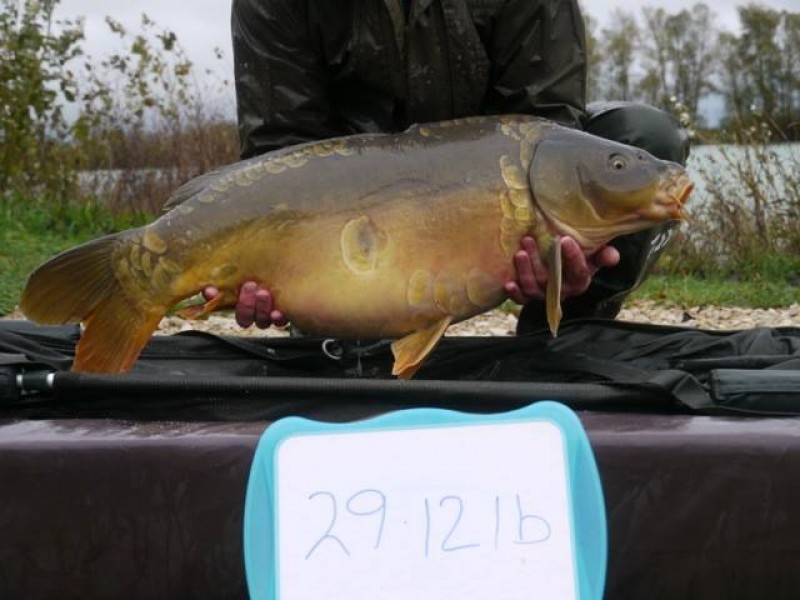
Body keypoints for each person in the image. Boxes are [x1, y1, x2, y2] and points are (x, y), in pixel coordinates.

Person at [205, 0, 689, 334]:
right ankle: (349, 337)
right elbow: (279, 150)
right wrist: (269, 268)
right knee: (354, 360)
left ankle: (563, 340)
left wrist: (559, 252)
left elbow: (550, 126)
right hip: (351, 219)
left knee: (643, 139)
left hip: (490, 183)